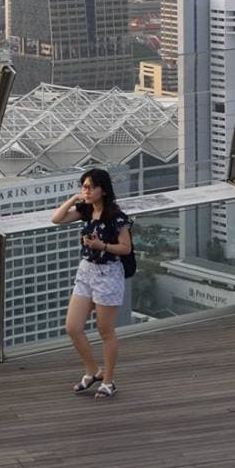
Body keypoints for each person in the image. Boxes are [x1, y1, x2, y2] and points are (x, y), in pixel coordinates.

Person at [50, 166, 131, 400]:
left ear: (102, 190)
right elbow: (56, 219)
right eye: (83, 186)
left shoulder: (115, 216)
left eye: (90, 187)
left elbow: (126, 248)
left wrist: (102, 246)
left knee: (105, 331)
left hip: (108, 273)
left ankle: (108, 380)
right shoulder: (86, 212)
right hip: (86, 271)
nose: (86, 190)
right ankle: (92, 370)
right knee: (73, 327)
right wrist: (75, 199)